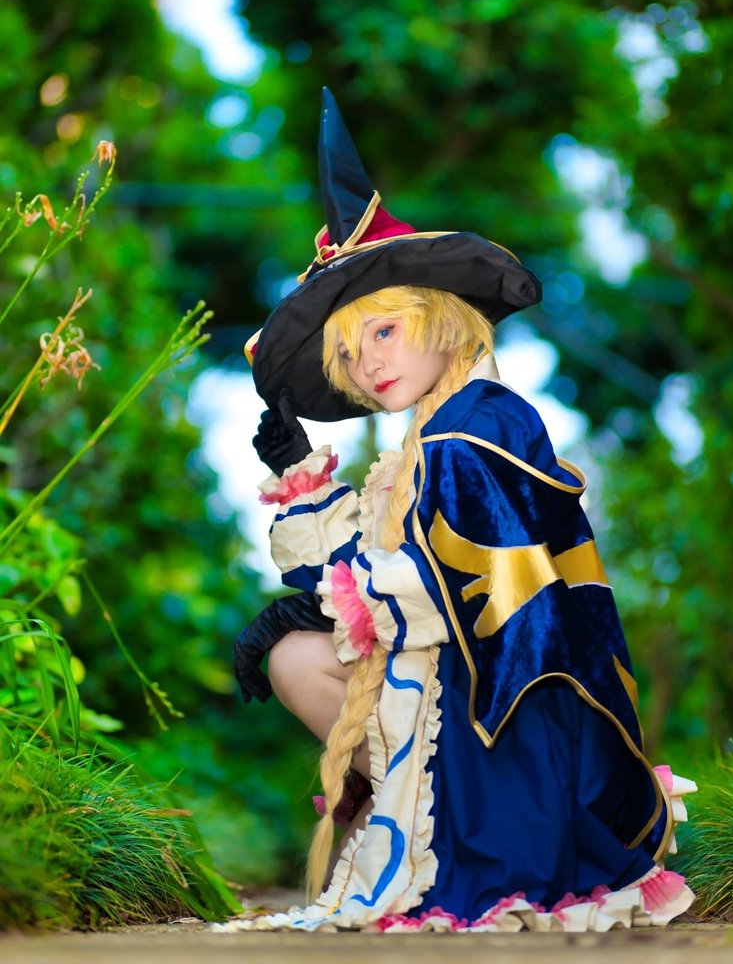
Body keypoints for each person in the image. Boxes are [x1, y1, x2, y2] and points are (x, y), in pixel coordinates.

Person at [226, 90, 695, 934]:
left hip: (510, 715)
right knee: (295, 653)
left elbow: (457, 588)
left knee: (300, 646)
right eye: (349, 352)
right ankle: (400, 817)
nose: (368, 366)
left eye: (383, 333)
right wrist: (300, 479)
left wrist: (334, 602)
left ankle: (427, 831)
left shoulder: (477, 425)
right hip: (468, 684)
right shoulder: (431, 435)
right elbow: (356, 569)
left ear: (441, 320)